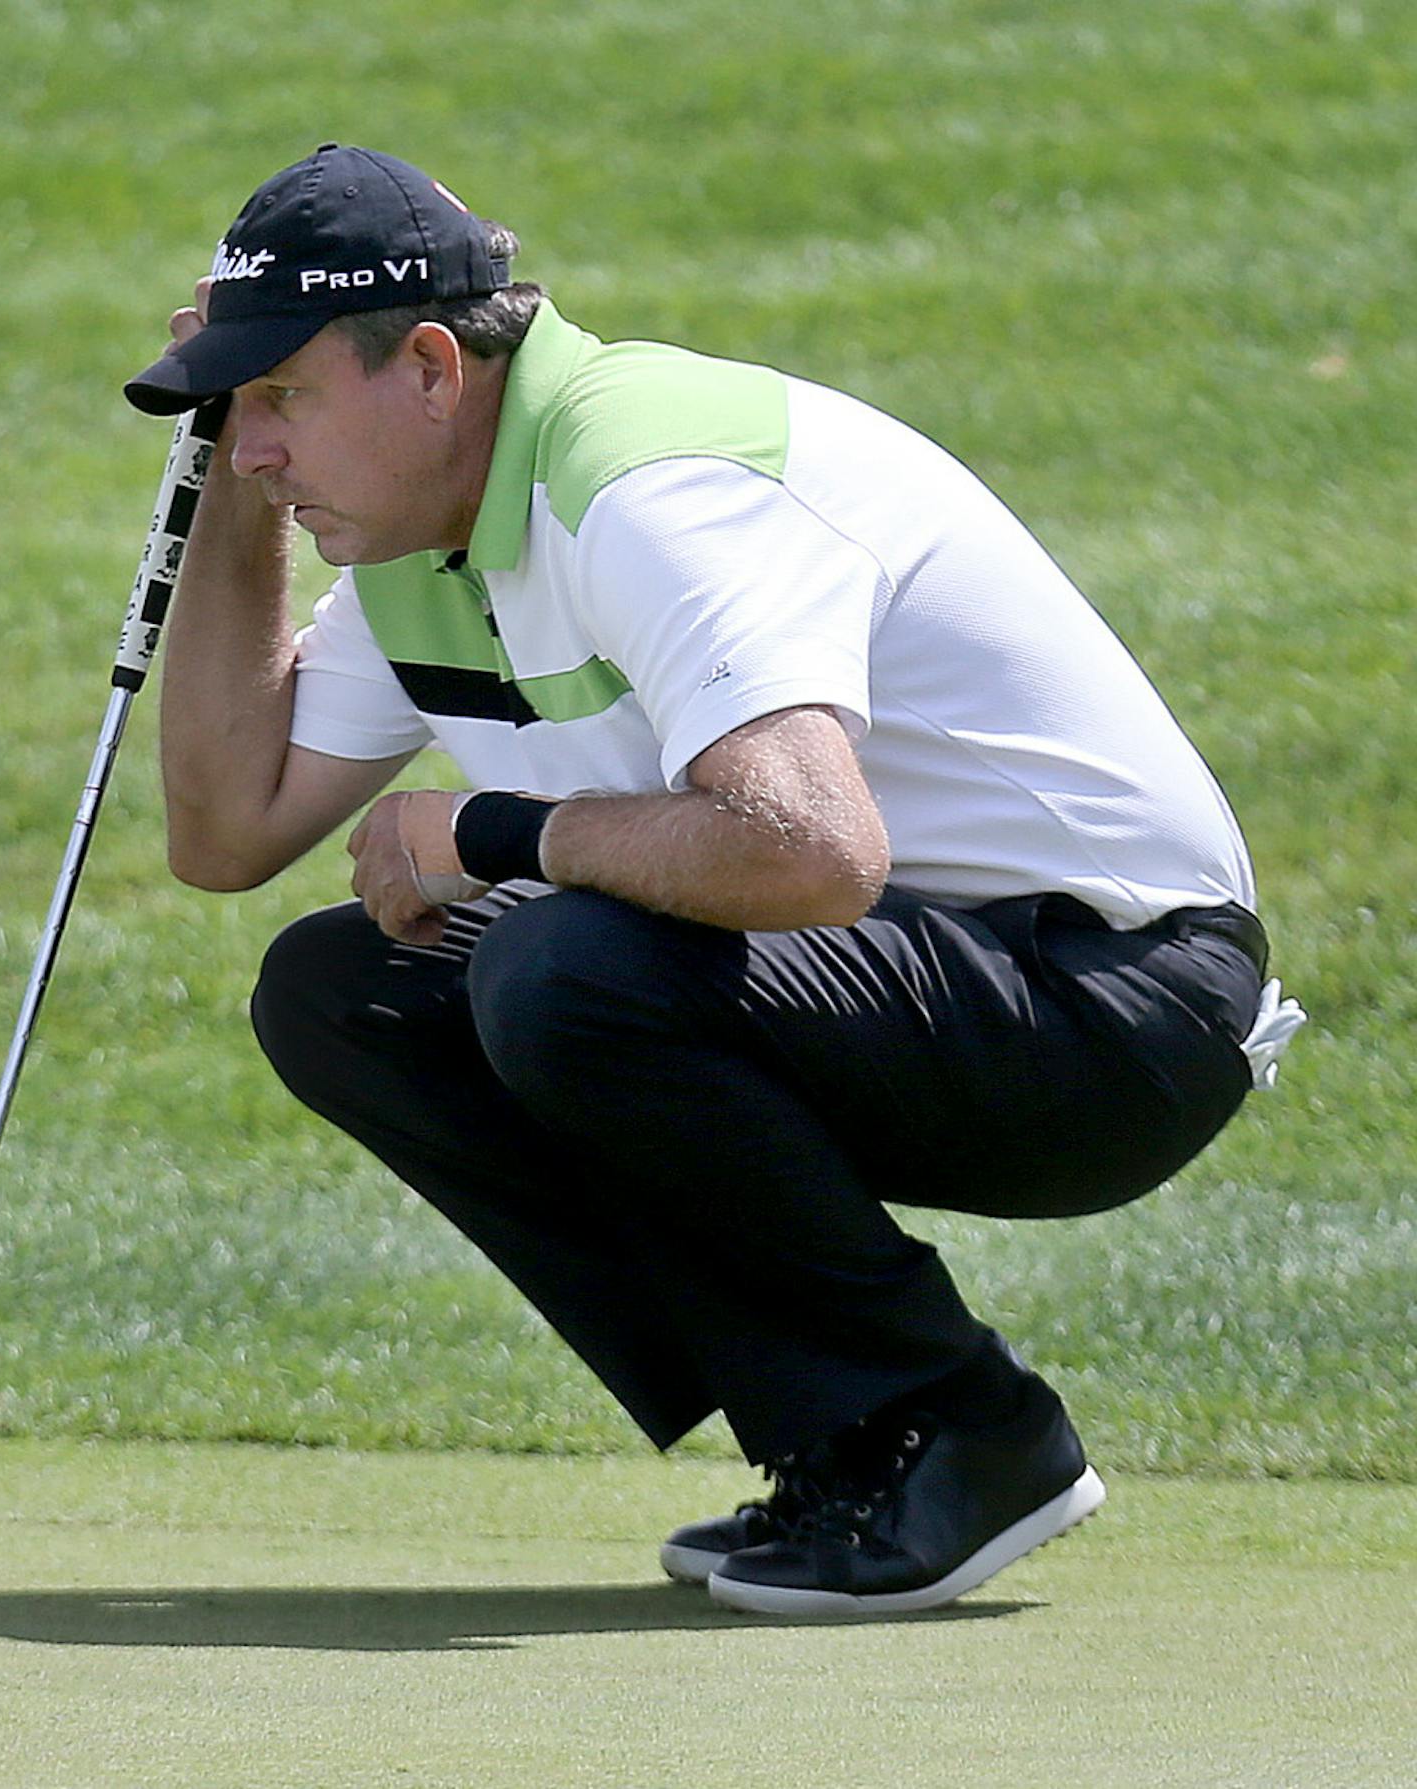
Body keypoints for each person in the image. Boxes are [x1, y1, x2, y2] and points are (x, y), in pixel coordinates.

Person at [122, 144, 1302, 1617]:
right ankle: (846, 1438)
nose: (259, 448)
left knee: (561, 969)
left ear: (431, 366)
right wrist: (230, 484)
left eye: (283, 397)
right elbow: (225, 830)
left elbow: (814, 845)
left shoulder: (642, 482)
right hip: (914, 979)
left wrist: (490, 833)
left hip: (1115, 999)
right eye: (246, 410)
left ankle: (965, 1431)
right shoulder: (432, 533)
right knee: (343, 990)